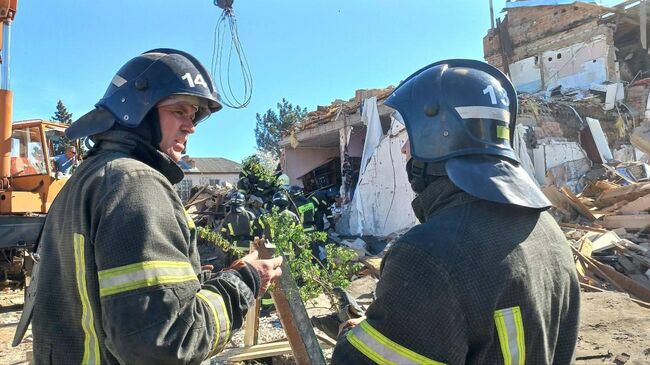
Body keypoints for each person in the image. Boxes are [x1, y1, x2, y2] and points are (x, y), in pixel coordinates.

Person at [23, 49, 283, 364]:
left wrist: (187, 285)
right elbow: (167, 342)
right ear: (138, 110)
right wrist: (246, 281)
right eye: (180, 111)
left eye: (195, 115)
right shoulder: (135, 183)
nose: (191, 126)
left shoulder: (88, 179)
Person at [332, 59, 580, 364]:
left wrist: (350, 337)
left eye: (409, 136)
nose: (403, 149)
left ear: (435, 136)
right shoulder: (548, 230)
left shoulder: (429, 256)